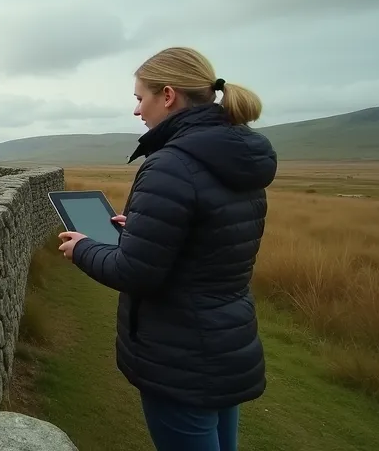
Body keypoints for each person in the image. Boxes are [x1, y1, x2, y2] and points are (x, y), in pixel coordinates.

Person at [57, 46, 277, 451]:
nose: (138, 111)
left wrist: (84, 248)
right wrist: (141, 228)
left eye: (141, 98)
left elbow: (135, 273)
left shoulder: (171, 163)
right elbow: (210, 242)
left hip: (180, 355)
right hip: (226, 341)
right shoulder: (238, 157)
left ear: (169, 95)